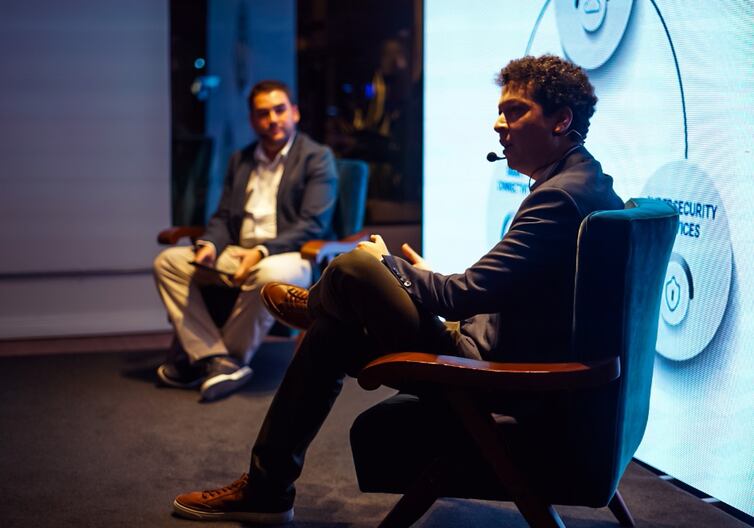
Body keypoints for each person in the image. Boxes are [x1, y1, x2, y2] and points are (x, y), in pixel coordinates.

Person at [170, 55, 624, 523]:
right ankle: (267, 486)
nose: (498, 124)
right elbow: (510, 294)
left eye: (514, 111)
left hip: (495, 377)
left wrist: (387, 266)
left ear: (561, 120)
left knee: (356, 267)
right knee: (332, 333)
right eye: (500, 112)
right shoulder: (583, 184)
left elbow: (462, 296)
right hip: (497, 352)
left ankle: (320, 304)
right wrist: (419, 277)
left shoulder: (558, 198)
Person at [153, 80, 338, 402]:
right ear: (253, 120)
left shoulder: (316, 158)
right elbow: (224, 216)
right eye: (263, 113)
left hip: (291, 254)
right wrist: (210, 245)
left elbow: (313, 224)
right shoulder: (241, 160)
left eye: (280, 110)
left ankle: (223, 359)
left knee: (268, 275)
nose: (273, 119)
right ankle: (216, 359)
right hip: (238, 251)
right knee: (168, 262)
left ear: (294, 113)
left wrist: (262, 252)